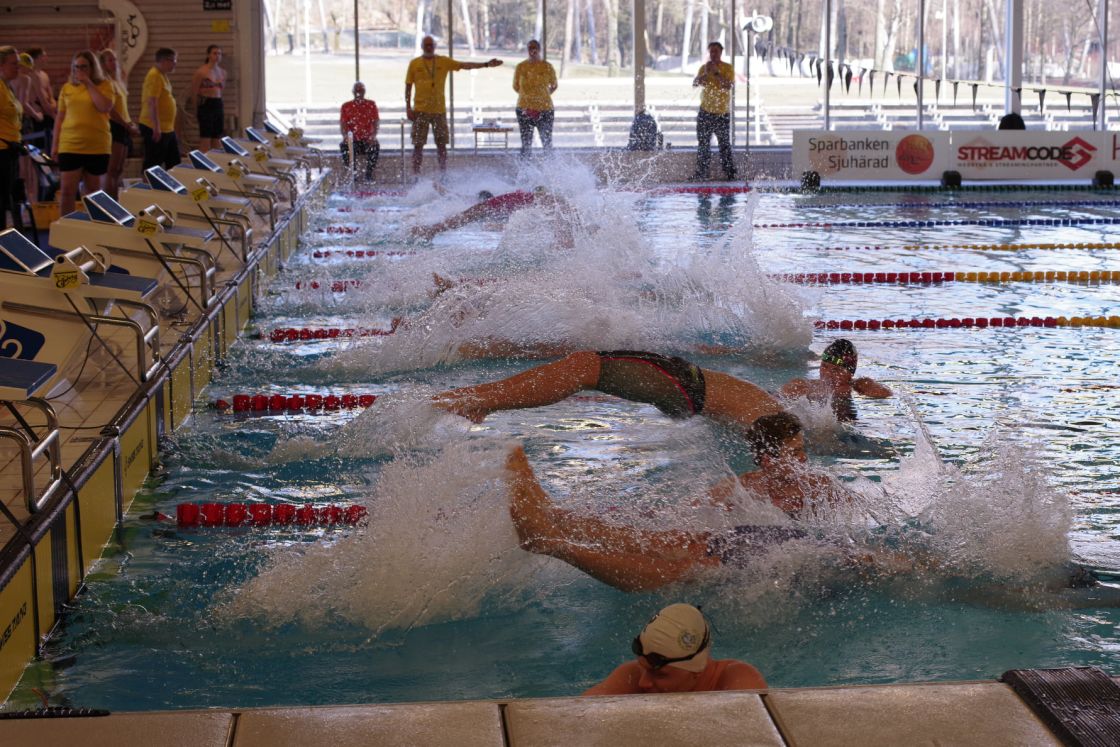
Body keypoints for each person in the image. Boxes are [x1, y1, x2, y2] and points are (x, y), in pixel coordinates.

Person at [505, 413, 849, 592]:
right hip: (738, 544)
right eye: (794, 453)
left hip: (766, 559)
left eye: (803, 452)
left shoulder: (819, 488)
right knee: (655, 538)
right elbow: (685, 512)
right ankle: (552, 516)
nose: (803, 461)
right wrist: (640, 517)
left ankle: (550, 537)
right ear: (766, 459)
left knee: (682, 553)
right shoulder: (744, 486)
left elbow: (844, 528)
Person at [433, 350, 784, 438]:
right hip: (687, 391)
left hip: (684, 384)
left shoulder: (781, 419)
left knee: (583, 366)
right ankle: (479, 402)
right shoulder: (770, 410)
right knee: (582, 365)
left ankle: (477, 403)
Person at [583, 604, 767, 695]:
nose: (643, 683)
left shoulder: (734, 679)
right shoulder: (631, 676)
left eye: (660, 674)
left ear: (696, 670)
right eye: (643, 667)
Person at [405, 35, 502, 174]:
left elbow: (464, 65)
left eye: (431, 45)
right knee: (418, 145)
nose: (428, 47)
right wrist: (408, 107)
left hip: (439, 111)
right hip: (420, 110)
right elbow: (408, 85)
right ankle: (416, 175)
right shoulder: (414, 63)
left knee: (442, 145)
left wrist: (486, 64)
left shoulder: (443, 61)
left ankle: (443, 174)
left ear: (435, 46)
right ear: (422, 46)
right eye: (426, 45)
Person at [51, 50, 114, 217]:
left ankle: (92, 228)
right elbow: (60, 117)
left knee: (93, 192)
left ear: (93, 68)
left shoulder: (105, 85)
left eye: (84, 67)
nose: (80, 71)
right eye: (76, 67)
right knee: (66, 191)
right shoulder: (67, 88)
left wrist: (89, 84)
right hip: (70, 144)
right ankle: (66, 227)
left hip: (96, 145)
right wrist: (55, 144)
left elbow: (104, 107)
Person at [779, 339, 891, 422]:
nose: (827, 374)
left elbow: (886, 393)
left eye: (836, 370)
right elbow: (778, 398)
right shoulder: (803, 385)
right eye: (824, 366)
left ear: (851, 372)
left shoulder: (858, 385)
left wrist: (858, 385)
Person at [411, 186, 571, 241]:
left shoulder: (534, 201)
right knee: (461, 219)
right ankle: (429, 230)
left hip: (495, 207)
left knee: (461, 219)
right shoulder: (538, 201)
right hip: (492, 206)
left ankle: (430, 230)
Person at [691, 41, 736, 181]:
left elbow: (728, 86)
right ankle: (702, 173)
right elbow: (695, 84)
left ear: (721, 52)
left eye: (716, 51)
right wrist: (705, 74)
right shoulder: (704, 68)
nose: (713, 54)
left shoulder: (728, 68)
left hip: (722, 113)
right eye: (711, 51)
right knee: (703, 144)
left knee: (724, 144)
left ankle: (730, 173)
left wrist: (716, 73)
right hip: (705, 112)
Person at [99, 48, 139, 199]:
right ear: (103, 64)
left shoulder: (117, 81)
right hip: (115, 126)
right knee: (112, 169)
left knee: (119, 170)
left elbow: (123, 108)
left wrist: (130, 123)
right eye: (110, 60)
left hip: (124, 126)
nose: (114, 63)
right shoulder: (105, 83)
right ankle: (110, 202)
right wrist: (125, 124)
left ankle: (115, 199)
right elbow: (111, 110)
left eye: (115, 59)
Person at [139, 48, 181, 171]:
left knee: (174, 163)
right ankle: (147, 189)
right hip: (156, 127)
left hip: (167, 128)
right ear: (163, 60)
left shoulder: (163, 75)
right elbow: (153, 102)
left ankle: (170, 188)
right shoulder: (154, 75)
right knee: (153, 164)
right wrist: (156, 127)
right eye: (173, 60)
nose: (175, 63)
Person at [512, 39, 557, 156]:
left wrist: (543, 96)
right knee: (526, 144)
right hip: (524, 109)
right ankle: (525, 170)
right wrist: (528, 98)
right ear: (527, 50)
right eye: (530, 48)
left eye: (535, 48)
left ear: (539, 50)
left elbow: (554, 85)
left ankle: (550, 169)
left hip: (545, 109)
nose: (533, 51)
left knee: (547, 143)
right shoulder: (521, 67)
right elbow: (516, 86)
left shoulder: (547, 66)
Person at [0, 46, 25, 232]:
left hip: (10, 150)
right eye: (14, 64)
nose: (18, 67)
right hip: (1, 150)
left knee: (6, 198)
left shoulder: (7, 86)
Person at [339, 81, 379, 182]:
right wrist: (345, 136)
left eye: (361, 91)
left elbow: (375, 122)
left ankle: (369, 174)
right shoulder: (346, 106)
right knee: (344, 146)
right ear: (353, 92)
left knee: (375, 146)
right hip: (353, 140)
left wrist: (373, 136)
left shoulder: (371, 104)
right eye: (357, 91)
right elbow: (343, 123)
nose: (359, 93)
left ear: (364, 92)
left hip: (367, 139)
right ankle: (353, 174)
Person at [191, 45, 226, 152]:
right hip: (206, 103)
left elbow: (221, 90)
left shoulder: (223, 72)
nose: (217, 56)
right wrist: (195, 110)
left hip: (218, 103)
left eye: (219, 54)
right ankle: (204, 163)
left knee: (217, 137)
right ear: (209, 55)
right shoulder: (201, 72)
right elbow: (194, 92)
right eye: (215, 53)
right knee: (205, 137)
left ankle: (216, 161)